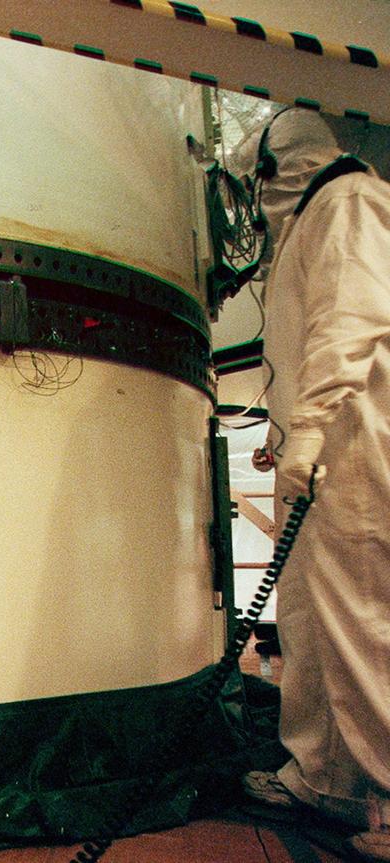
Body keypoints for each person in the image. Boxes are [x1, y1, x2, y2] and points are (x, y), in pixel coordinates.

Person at [236, 107, 390, 862]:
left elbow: (349, 321)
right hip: (320, 455)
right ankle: (325, 776)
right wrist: (283, 437)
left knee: (361, 621)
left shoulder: (348, 201)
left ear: (275, 166)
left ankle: (386, 797)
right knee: (312, 620)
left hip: (353, 453)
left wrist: (311, 426)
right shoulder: (310, 221)